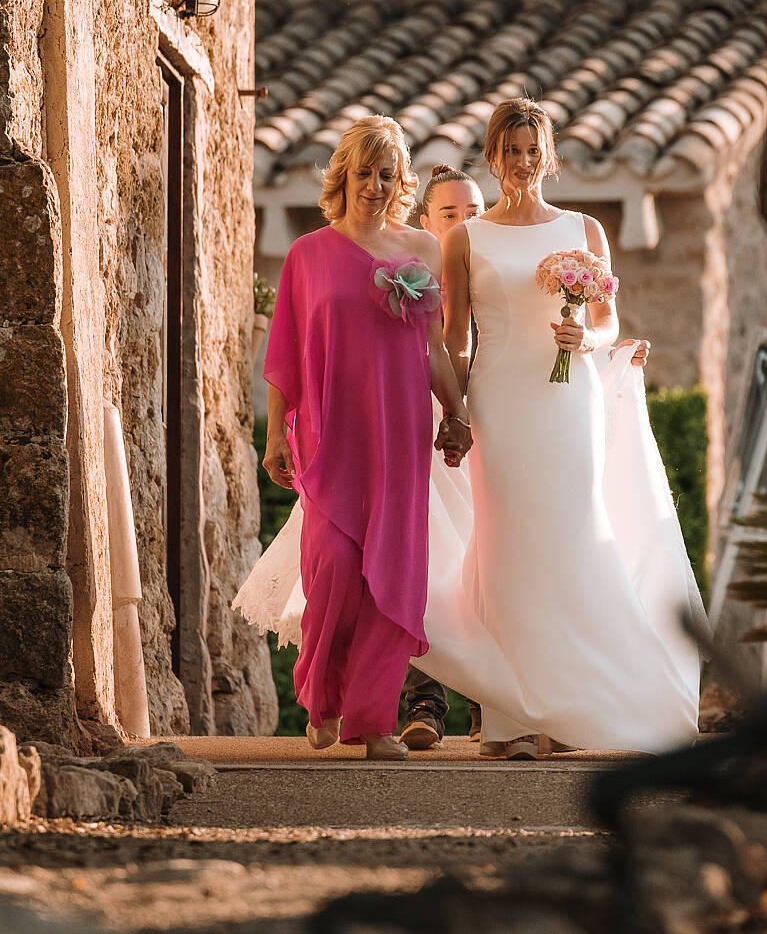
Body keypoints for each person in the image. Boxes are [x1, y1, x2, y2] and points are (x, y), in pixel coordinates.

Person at [411, 98, 704, 758]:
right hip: (500, 405)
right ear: (493, 157)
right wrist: (452, 413)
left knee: (572, 537)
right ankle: (510, 720)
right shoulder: (467, 238)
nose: (521, 162)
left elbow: (609, 322)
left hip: (569, 405)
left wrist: (586, 335)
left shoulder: (584, 229)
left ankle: (574, 706)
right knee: (507, 544)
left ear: (550, 154)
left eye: (532, 149)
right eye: (510, 151)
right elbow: (455, 338)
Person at [236, 116, 471, 760]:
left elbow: (435, 351)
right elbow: (283, 352)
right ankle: (319, 697)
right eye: (363, 173)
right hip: (330, 435)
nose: (373, 185)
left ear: (401, 181)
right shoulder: (308, 254)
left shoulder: (422, 249)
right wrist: (276, 435)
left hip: (400, 437)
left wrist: (456, 414)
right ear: (343, 177)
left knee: (389, 576)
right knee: (334, 570)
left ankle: (373, 721)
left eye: (386, 174)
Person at [400, 165, 485, 749]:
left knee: (490, 561)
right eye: (450, 214)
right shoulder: (409, 283)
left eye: (474, 213)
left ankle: (493, 700)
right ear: (425, 224)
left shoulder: (503, 276)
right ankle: (425, 701)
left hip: (504, 428)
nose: (463, 226)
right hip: (426, 428)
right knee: (427, 563)